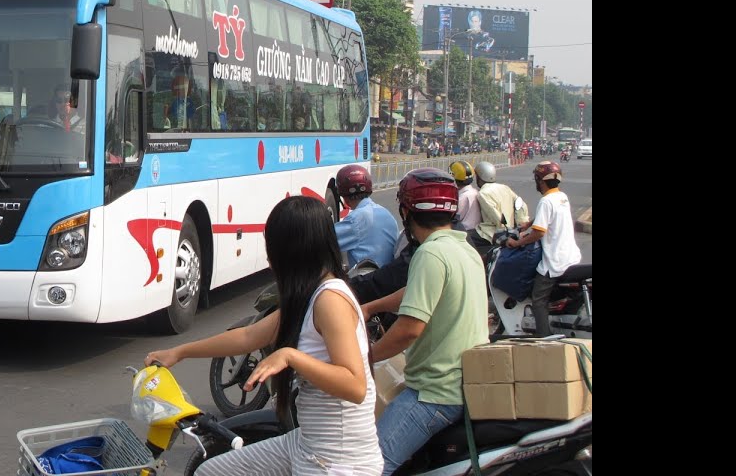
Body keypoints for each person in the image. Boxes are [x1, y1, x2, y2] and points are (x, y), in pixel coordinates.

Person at [145, 196, 383, 475]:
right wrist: (179, 352)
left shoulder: (330, 300)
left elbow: (355, 386)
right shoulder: (307, 296)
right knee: (210, 472)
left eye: (274, 249)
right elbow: (247, 336)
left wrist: (290, 356)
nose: (270, 260)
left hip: (337, 462)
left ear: (293, 252)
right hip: (307, 443)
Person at [363, 168, 488, 476]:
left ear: (406, 211)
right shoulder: (463, 248)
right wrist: (371, 307)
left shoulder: (429, 254)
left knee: (368, 466)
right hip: (464, 382)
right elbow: (417, 291)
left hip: (434, 393)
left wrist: (366, 357)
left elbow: (408, 330)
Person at [505, 161, 582, 337]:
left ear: (540, 180)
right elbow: (547, 218)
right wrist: (529, 224)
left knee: (538, 300)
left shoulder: (546, 201)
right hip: (571, 256)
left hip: (555, 261)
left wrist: (516, 243)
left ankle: (544, 338)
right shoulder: (561, 197)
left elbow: (539, 234)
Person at [334, 165, 400, 270]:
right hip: (387, 277)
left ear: (341, 193)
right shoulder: (385, 213)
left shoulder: (355, 219)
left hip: (368, 281)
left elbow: (324, 240)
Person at [471, 160, 529, 258]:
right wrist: (521, 224)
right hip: (511, 230)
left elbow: (495, 215)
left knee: (466, 239)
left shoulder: (483, 193)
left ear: (479, 177)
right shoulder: (504, 187)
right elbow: (521, 205)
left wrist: (502, 233)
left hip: (492, 232)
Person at [449, 160, 481, 236]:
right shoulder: (476, 192)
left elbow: (451, 219)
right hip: (477, 232)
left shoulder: (461, 197)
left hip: (464, 233)